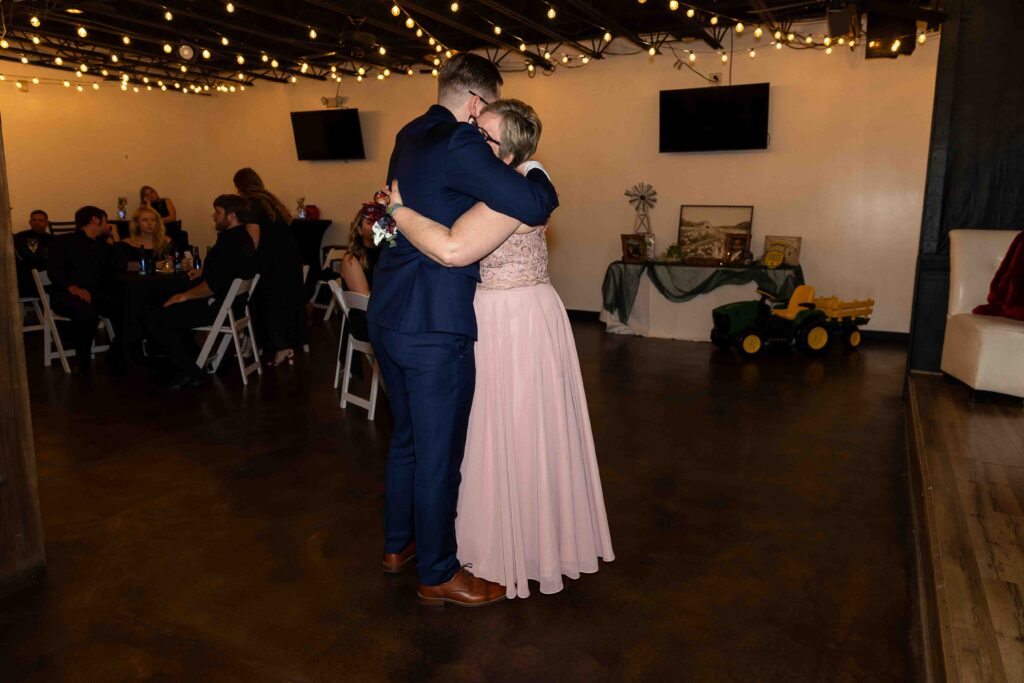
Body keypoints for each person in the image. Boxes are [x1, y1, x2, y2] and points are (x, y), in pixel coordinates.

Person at [388, 99, 613, 599]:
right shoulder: (489, 180)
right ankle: (462, 537)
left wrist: (397, 209)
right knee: (487, 433)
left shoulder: (517, 190)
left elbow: (450, 248)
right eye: (472, 129)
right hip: (489, 317)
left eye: (481, 136)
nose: (468, 141)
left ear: (508, 153)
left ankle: (521, 544)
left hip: (517, 321)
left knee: (518, 428)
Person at [367, 52, 558, 608]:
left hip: (386, 312)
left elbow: (401, 214)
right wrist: (539, 173)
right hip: (433, 325)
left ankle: (396, 546)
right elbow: (531, 202)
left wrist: (390, 214)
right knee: (438, 453)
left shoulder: (409, 133)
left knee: (404, 439)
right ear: (475, 103)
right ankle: (438, 572)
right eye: (485, 109)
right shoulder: (461, 141)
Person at [144, 195, 257, 389]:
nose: (213, 216)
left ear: (232, 216)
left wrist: (184, 296)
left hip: (217, 307)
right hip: (234, 306)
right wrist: (204, 271)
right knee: (167, 307)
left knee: (156, 318)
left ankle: (189, 370)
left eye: (218, 212)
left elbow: (212, 287)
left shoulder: (229, 243)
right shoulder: (242, 238)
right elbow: (227, 271)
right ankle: (187, 362)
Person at [233, 167, 306, 367]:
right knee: (283, 304)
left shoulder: (251, 205)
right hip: (289, 259)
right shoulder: (271, 201)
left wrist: (243, 259)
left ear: (240, 186)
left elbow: (254, 240)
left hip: (272, 262)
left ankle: (278, 347)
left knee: (267, 303)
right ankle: (282, 345)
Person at [47, 206, 127, 374]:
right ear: (95, 219)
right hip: (66, 293)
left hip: (95, 293)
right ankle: (82, 362)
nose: (108, 225)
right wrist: (73, 288)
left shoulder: (103, 246)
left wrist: (116, 239)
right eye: (106, 221)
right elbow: (54, 271)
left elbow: (120, 267)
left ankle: (116, 353)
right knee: (86, 312)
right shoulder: (63, 241)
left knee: (127, 308)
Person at [13, 210, 53, 296]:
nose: (37, 223)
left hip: (47, 272)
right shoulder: (21, 237)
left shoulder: (52, 239)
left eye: (40, 220)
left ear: (46, 223)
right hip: (28, 274)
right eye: (34, 220)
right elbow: (24, 256)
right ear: (30, 222)